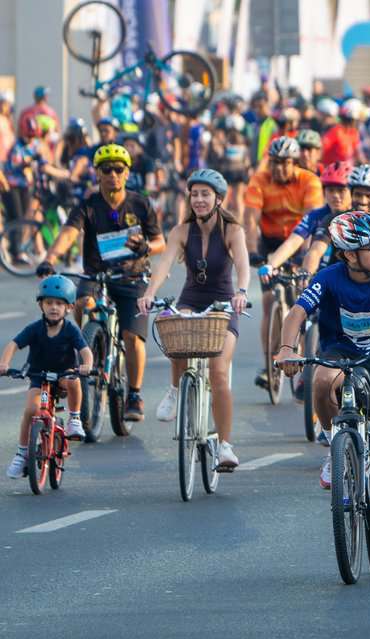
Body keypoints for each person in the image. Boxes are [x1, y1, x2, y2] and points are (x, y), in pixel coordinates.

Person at [276, 211, 370, 545]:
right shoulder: (328, 278)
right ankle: (333, 445)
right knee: (321, 382)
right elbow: (297, 312)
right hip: (341, 353)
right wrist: (286, 348)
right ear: (349, 255)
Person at [38, 143, 166, 421]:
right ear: (97, 173)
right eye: (106, 169)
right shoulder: (88, 205)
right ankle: (89, 345)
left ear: (127, 172)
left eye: (118, 169)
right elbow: (70, 233)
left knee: (132, 337)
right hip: (96, 275)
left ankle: (134, 393)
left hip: (132, 277)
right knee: (83, 302)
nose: (112, 175)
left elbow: (160, 242)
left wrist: (145, 246)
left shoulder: (140, 204)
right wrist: (50, 258)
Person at [138, 170, 250, 469]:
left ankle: (225, 445)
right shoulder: (181, 231)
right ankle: (175, 390)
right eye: (195, 194)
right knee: (173, 325)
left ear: (218, 198)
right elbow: (163, 266)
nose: (199, 199)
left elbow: (242, 264)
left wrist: (241, 291)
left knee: (218, 371)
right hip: (191, 298)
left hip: (223, 303)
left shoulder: (232, 230)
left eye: (205, 194)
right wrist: (150, 292)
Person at [244, 136, 323, 388]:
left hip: (299, 242)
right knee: (268, 302)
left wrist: (305, 261)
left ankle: (298, 355)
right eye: (275, 162)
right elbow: (250, 221)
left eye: (285, 163)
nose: (279, 168)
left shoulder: (308, 181)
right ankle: (269, 365)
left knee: (298, 300)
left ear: (294, 162)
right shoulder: (260, 180)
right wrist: (253, 251)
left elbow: (312, 224)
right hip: (270, 241)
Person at [1, 275, 93, 478]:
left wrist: (87, 365)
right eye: (49, 302)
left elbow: (85, 350)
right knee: (31, 410)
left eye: (59, 303)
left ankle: (75, 418)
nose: (53, 307)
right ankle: (22, 453)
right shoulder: (35, 328)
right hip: (39, 377)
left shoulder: (70, 329)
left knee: (73, 380)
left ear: (69, 308)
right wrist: (4, 364)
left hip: (63, 374)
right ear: (40, 305)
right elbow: (13, 344)